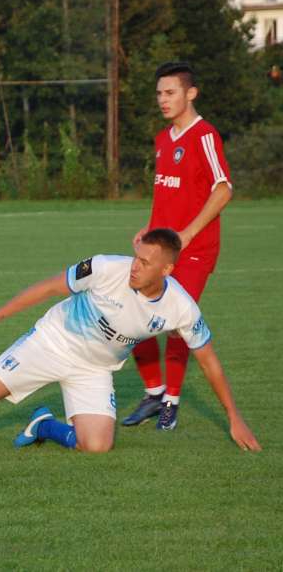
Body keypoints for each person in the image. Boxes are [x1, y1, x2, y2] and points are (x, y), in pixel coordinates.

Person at [0, 229, 261, 458]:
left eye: (144, 262)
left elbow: (208, 360)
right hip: (52, 342)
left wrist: (233, 416)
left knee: (96, 446)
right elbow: (51, 286)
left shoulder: (181, 307)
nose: (135, 266)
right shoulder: (108, 267)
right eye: (136, 256)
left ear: (167, 269)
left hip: (94, 369)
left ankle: (44, 425)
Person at [124, 62, 233, 431]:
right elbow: (167, 194)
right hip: (162, 248)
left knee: (176, 324)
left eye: (170, 92)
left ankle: (171, 401)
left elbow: (224, 189)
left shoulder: (204, 136)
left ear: (191, 93)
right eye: (159, 93)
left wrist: (186, 235)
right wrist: (151, 228)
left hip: (196, 249)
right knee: (131, 314)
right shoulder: (161, 140)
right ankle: (154, 394)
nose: (162, 100)